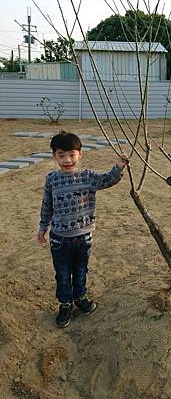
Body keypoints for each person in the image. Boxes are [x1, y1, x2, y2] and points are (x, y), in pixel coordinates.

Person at [37, 131, 128, 328]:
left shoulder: (88, 177)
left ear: (80, 154)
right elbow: (47, 205)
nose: (67, 160)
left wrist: (119, 167)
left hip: (83, 236)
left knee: (80, 270)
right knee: (62, 273)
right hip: (59, 238)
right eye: (61, 155)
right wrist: (42, 226)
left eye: (71, 154)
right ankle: (65, 303)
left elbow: (108, 180)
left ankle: (80, 297)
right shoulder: (52, 179)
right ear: (54, 156)